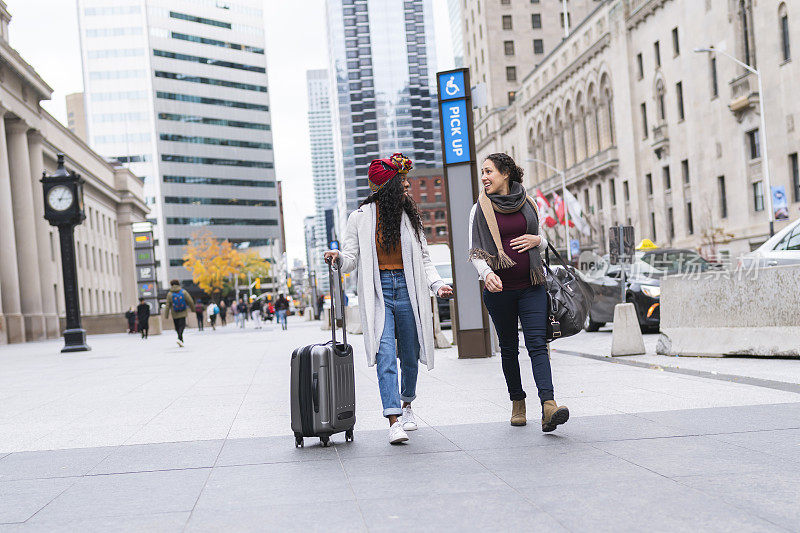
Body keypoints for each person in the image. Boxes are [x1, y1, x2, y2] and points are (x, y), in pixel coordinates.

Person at [325, 153, 452, 445]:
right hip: (378, 290)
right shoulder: (358, 218)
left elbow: (423, 258)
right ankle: (393, 420)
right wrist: (338, 258)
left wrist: (437, 285)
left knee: (409, 353)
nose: (406, 186)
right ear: (385, 186)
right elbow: (351, 259)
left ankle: (407, 405)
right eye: (401, 182)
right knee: (385, 355)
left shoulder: (410, 216)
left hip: (409, 289)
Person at [469, 153, 569, 433]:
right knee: (510, 349)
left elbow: (543, 240)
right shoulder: (479, 208)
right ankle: (517, 402)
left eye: (489, 172)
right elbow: (475, 251)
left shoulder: (529, 202)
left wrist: (539, 240)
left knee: (538, 344)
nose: (485, 177)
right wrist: (487, 273)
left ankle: (548, 405)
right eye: (483, 173)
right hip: (499, 291)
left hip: (531, 286)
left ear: (505, 174)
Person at [163, 279, 194, 347]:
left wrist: (166, 315)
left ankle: (179, 338)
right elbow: (190, 301)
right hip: (183, 312)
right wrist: (193, 309)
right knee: (182, 325)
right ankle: (180, 338)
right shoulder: (183, 291)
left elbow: (167, 305)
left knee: (177, 327)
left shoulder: (170, 294)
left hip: (174, 313)